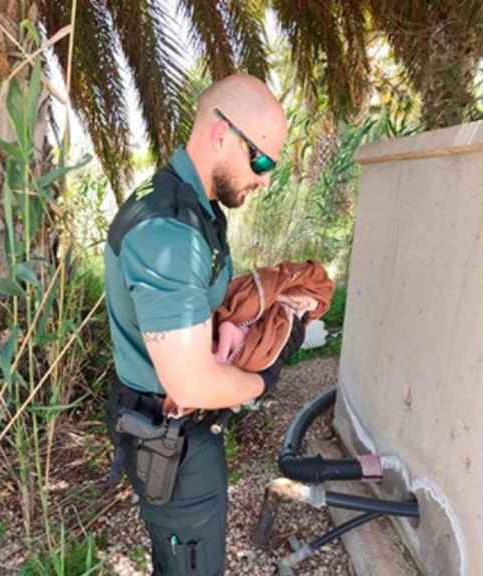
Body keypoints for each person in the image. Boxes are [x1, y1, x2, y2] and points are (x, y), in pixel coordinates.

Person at [103, 74, 303, 575]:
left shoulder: (196, 208)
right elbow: (189, 382)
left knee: (179, 557)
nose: (265, 179)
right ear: (221, 134)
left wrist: (224, 326)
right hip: (169, 433)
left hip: (181, 428)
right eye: (261, 160)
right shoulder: (168, 230)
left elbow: (187, 306)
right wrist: (261, 381)